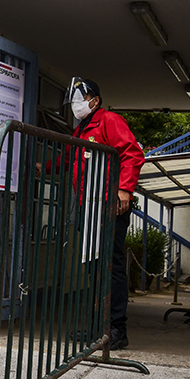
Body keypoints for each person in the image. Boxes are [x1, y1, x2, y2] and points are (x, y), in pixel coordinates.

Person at [63, 77, 145, 350]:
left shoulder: (109, 120)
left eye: (79, 99)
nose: (76, 106)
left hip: (109, 204)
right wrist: (44, 166)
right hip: (89, 205)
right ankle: (100, 327)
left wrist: (124, 190)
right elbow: (69, 160)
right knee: (95, 268)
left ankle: (116, 329)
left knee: (110, 266)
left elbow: (132, 153)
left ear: (94, 100)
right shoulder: (82, 129)